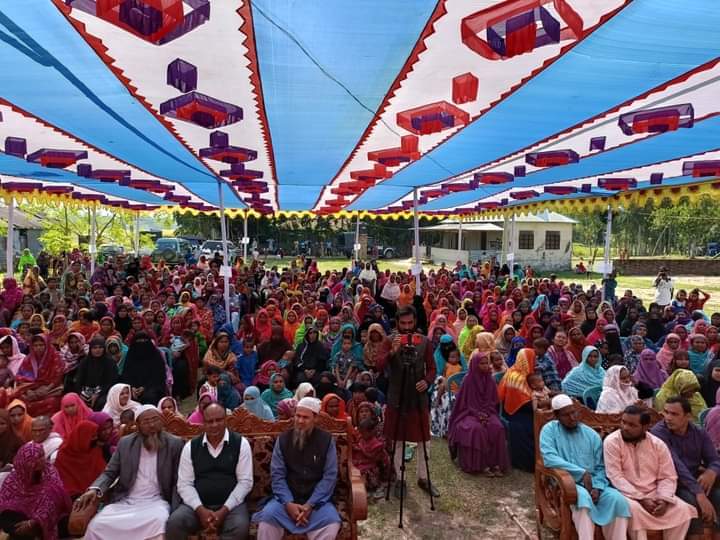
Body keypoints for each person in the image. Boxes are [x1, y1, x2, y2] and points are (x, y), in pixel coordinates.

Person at [74, 405, 185, 540]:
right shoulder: (125, 443)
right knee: (97, 525)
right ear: (137, 425)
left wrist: (175, 508)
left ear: (161, 421)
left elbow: (177, 480)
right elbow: (110, 473)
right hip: (126, 500)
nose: (151, 425)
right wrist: (95, 489)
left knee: (159, 523)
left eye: (155, 420)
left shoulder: (175, 443)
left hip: (157, 501)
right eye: (146, 422)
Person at [539, 394, 630, 538]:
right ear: (557, 416)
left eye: (574, 412)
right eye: (566, 415)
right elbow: (550, 459)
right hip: (565, 482)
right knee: (582, 499)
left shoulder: (590, 435)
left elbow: (601, 466)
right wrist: (581, 473)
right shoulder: (549, 431)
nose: (572, 417)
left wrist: (598, 488)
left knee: (617, 500)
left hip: (595, 482)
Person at [251, 397, 341, 539]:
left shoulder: (326, 440)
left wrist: (310, 505)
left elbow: (329, 476)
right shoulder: (283, 439)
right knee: (267, 518)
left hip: (316, 503)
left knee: (331, 523)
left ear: (315, 419)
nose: (300, 421)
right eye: (297, 416)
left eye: (305, 417)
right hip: (285, 502)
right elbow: (277, 475)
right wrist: (288, 503)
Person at [604, 405, 696, 540]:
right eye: (623, 422)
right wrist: (641, 498)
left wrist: (663, 499)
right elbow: (616, 476)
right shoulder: (612, 442)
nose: (625, 427)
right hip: (628, 495)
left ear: (645, 427)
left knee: (683, 510)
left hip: (655, 494)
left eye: (632, 425)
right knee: (633, 511)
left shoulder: (657, 444)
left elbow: (668, 476)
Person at [375, 306, 438, 498]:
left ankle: (423, 477)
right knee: (398, 440)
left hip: (418, 397)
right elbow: (379, 365)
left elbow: (432, 369)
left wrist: (426, 381)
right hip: (397, 395)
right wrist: (392, 351)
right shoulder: (388, 340)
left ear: (415, 322)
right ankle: (400, 480)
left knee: (423, 440)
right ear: (397, 323)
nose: (407, 327)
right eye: (403, 324)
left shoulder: (425, 341)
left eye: (410, 323)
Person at [168, 403, 253, 540]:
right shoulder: (191, 447)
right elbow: (184, 484)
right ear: (203, 423)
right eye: (209, 421)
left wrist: (224, 511)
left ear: (226, 420)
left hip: (231, 506)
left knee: (240, 527)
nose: (214, 425)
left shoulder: (241, 444)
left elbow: (245, 482)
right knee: (175, 522)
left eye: (219, 420)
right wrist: (200, 510)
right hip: (196, 506)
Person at [651, 396, 720, 539]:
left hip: (694, 478)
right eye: (666, 412)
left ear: (687, 416)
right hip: (670, 482)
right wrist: (699, 493)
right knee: (691, 502)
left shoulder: (699, 432)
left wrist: (711, 471)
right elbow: (676, 466)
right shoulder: (658, 432)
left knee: (718, 495)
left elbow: (714, 459)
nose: (668, 418)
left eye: (674, 414)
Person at [447, 352, 509, 476]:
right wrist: (477, 414)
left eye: (486, 363)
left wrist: (485, 413)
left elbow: (493, 401)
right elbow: (463, 403)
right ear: (475, 364)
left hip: (488, 412)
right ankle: (481, 465)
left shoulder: (490, 379)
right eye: (482, 363)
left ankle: (495, 464)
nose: (485, 366)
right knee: (476, 429)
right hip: (467, 413)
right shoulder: (468, 380)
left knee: (497, 427)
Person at [0, 442, 71, 540]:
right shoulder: (13, 480)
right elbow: (3, 504)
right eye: (36, 458)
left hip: (46, 517)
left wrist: (34, 522)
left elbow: (55, 501)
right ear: (26, 462)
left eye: (42, 456)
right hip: (22, 517)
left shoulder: (50, 472)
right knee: (6, 517)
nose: (42, 460)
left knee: (62, 521)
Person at [55, 420, 107, 498]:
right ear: (83, 437)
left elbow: (103, 473)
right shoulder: (64, 454)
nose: (96, 438)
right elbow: (64, 483)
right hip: (73, 498)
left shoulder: (95, 450)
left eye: (96, 435)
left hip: (96, 493)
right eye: (92, 436)